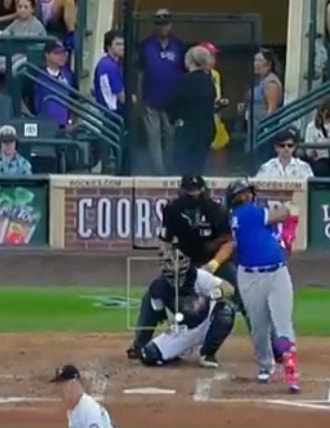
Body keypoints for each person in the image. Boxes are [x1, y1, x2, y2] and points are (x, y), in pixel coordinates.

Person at [126, 174, 234, 361]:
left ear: (203, 189)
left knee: (241, 295)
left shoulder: (216, 210)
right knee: (155, 293)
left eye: (197, 191)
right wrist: (170, 260)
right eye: (189, 191)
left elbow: (229, 243)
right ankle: (141, 342)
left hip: (213, 260)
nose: (193, 195)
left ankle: (271, 345)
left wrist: (214, 264)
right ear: (182, 190)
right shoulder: (173, 209)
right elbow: (165, 241)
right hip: (184, 263)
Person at [225, 179, 299, 391]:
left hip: (277, 273)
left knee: (282, 324)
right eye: (242, 194)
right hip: (250, 277)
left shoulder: (246, 214)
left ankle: (290, 371)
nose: (246, 197)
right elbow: (285, 213)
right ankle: (266, 366)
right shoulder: (247, 213)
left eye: (246, 193)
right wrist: (285, 213)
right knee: (259, 327)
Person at [130, 247, 238, 368]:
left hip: (208, 319)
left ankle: (208, 353)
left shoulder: (198, 276)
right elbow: (154, 316)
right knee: (148, 355)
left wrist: (211, 295)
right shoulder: (158, 288)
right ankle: (181, 350)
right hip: (184, 328)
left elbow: (229, 288)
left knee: (226, 311)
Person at [137, 9, 185, 175]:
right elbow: (140, 73)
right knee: (153, 138)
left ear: (170, 25)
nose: (163, 27)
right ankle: (158, 173)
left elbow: (185, 72)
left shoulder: (179, 45)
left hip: (173, 101)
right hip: (151, 98)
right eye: (159, 23)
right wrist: (139, 96)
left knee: (171, 137)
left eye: (165, 23)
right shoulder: (146, 45)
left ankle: (170, 170)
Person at [168, 45, 216, 176]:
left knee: (183, 167)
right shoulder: (209, 82)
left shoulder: (183, 82)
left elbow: (174, 105)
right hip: (206, 128)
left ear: (188, 61)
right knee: (199, 166)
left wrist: (173, 120)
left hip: (187, 130)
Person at [244, 48, 284, 139]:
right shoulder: (258, 81)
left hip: (263, 129)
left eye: (260, 61)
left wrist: (264, 126)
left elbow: (271, 109)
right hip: (253, 125)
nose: (257, 64)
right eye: (255, 60)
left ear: (269, 65)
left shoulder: (271, 83)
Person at [93, 29, 124, 114]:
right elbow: (121, 96)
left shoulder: (114, 64)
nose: (122, 47)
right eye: (118, 44)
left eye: (123, 44)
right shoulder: (109, 66)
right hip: (110, 114)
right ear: (109, 47)